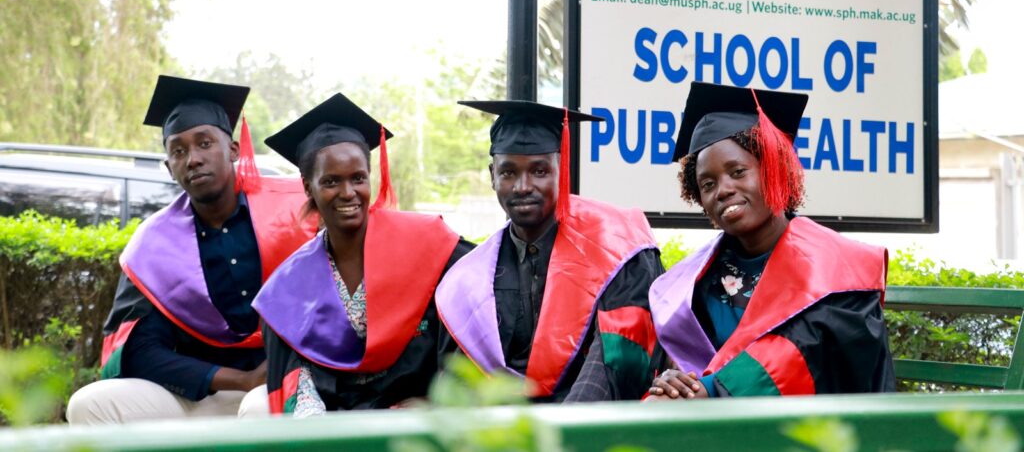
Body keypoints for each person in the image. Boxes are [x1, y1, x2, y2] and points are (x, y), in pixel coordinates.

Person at [66, 76, 318, 423]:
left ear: (233, 150)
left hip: (278, 384)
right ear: (170, 167)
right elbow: (140, 351)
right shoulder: (155, 243)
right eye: (179, 150)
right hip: (198, 393)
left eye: (204, 143)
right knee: (89, 404)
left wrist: (263, 380)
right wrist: (239, 380)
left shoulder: (293, 211)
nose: (193, 159)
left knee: (260, 408)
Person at [647, 82, 894, 400]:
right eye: (707, 184)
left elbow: (812, 356)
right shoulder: (694, 281)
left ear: (775, 170)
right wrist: (673, 379)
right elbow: (682, 360)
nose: (722, 190)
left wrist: (711, 393)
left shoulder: (838, 270)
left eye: (737, 172)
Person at [252, 93, 473, 415]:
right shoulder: (290, 284)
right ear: (307, 186)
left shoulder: (429, 245)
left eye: (358, 178)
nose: (347, 193)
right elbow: (293, 375)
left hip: (417, 418)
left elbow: (470, 323)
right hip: (336, 418)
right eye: (331, 181)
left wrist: (438, 402)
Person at [435, 100, 664, 402]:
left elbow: (616, 358)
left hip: (589, 430)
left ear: (562, 170)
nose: (522, 186)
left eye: (539, 171)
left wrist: (563, 435)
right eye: (508, 173)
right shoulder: (468, 279)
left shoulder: (617, 246)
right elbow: (459, 380)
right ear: (492, 175)